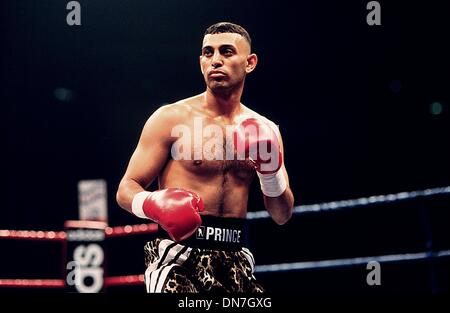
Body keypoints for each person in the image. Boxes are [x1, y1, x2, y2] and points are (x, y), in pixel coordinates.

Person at [116, 22, 294, 293]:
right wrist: (153, 203)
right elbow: (125, 189)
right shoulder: (170, 118)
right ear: (200, 61)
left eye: (226, 52)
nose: (215, 61)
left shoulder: (266, 129)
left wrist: (270, 173)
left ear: (250, 63)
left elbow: (282, 215)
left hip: (237, 257)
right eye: (207, 53)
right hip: (177, 257)